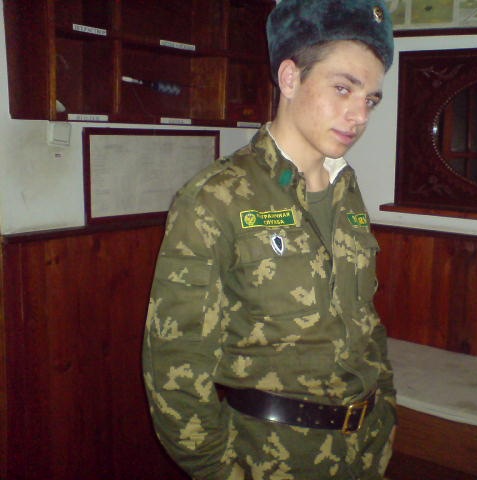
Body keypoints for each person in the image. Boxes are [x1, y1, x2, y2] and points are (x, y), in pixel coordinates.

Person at [141, 1, 397, 479]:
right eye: (343, 88)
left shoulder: (345, 188)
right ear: (290, 78)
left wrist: (386, 412)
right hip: (271, 457)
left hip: (365, 449)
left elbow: (364, 322)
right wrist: (219, 470)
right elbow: (176, 364)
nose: (359, 114)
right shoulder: (215, 197)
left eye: (372, 99)